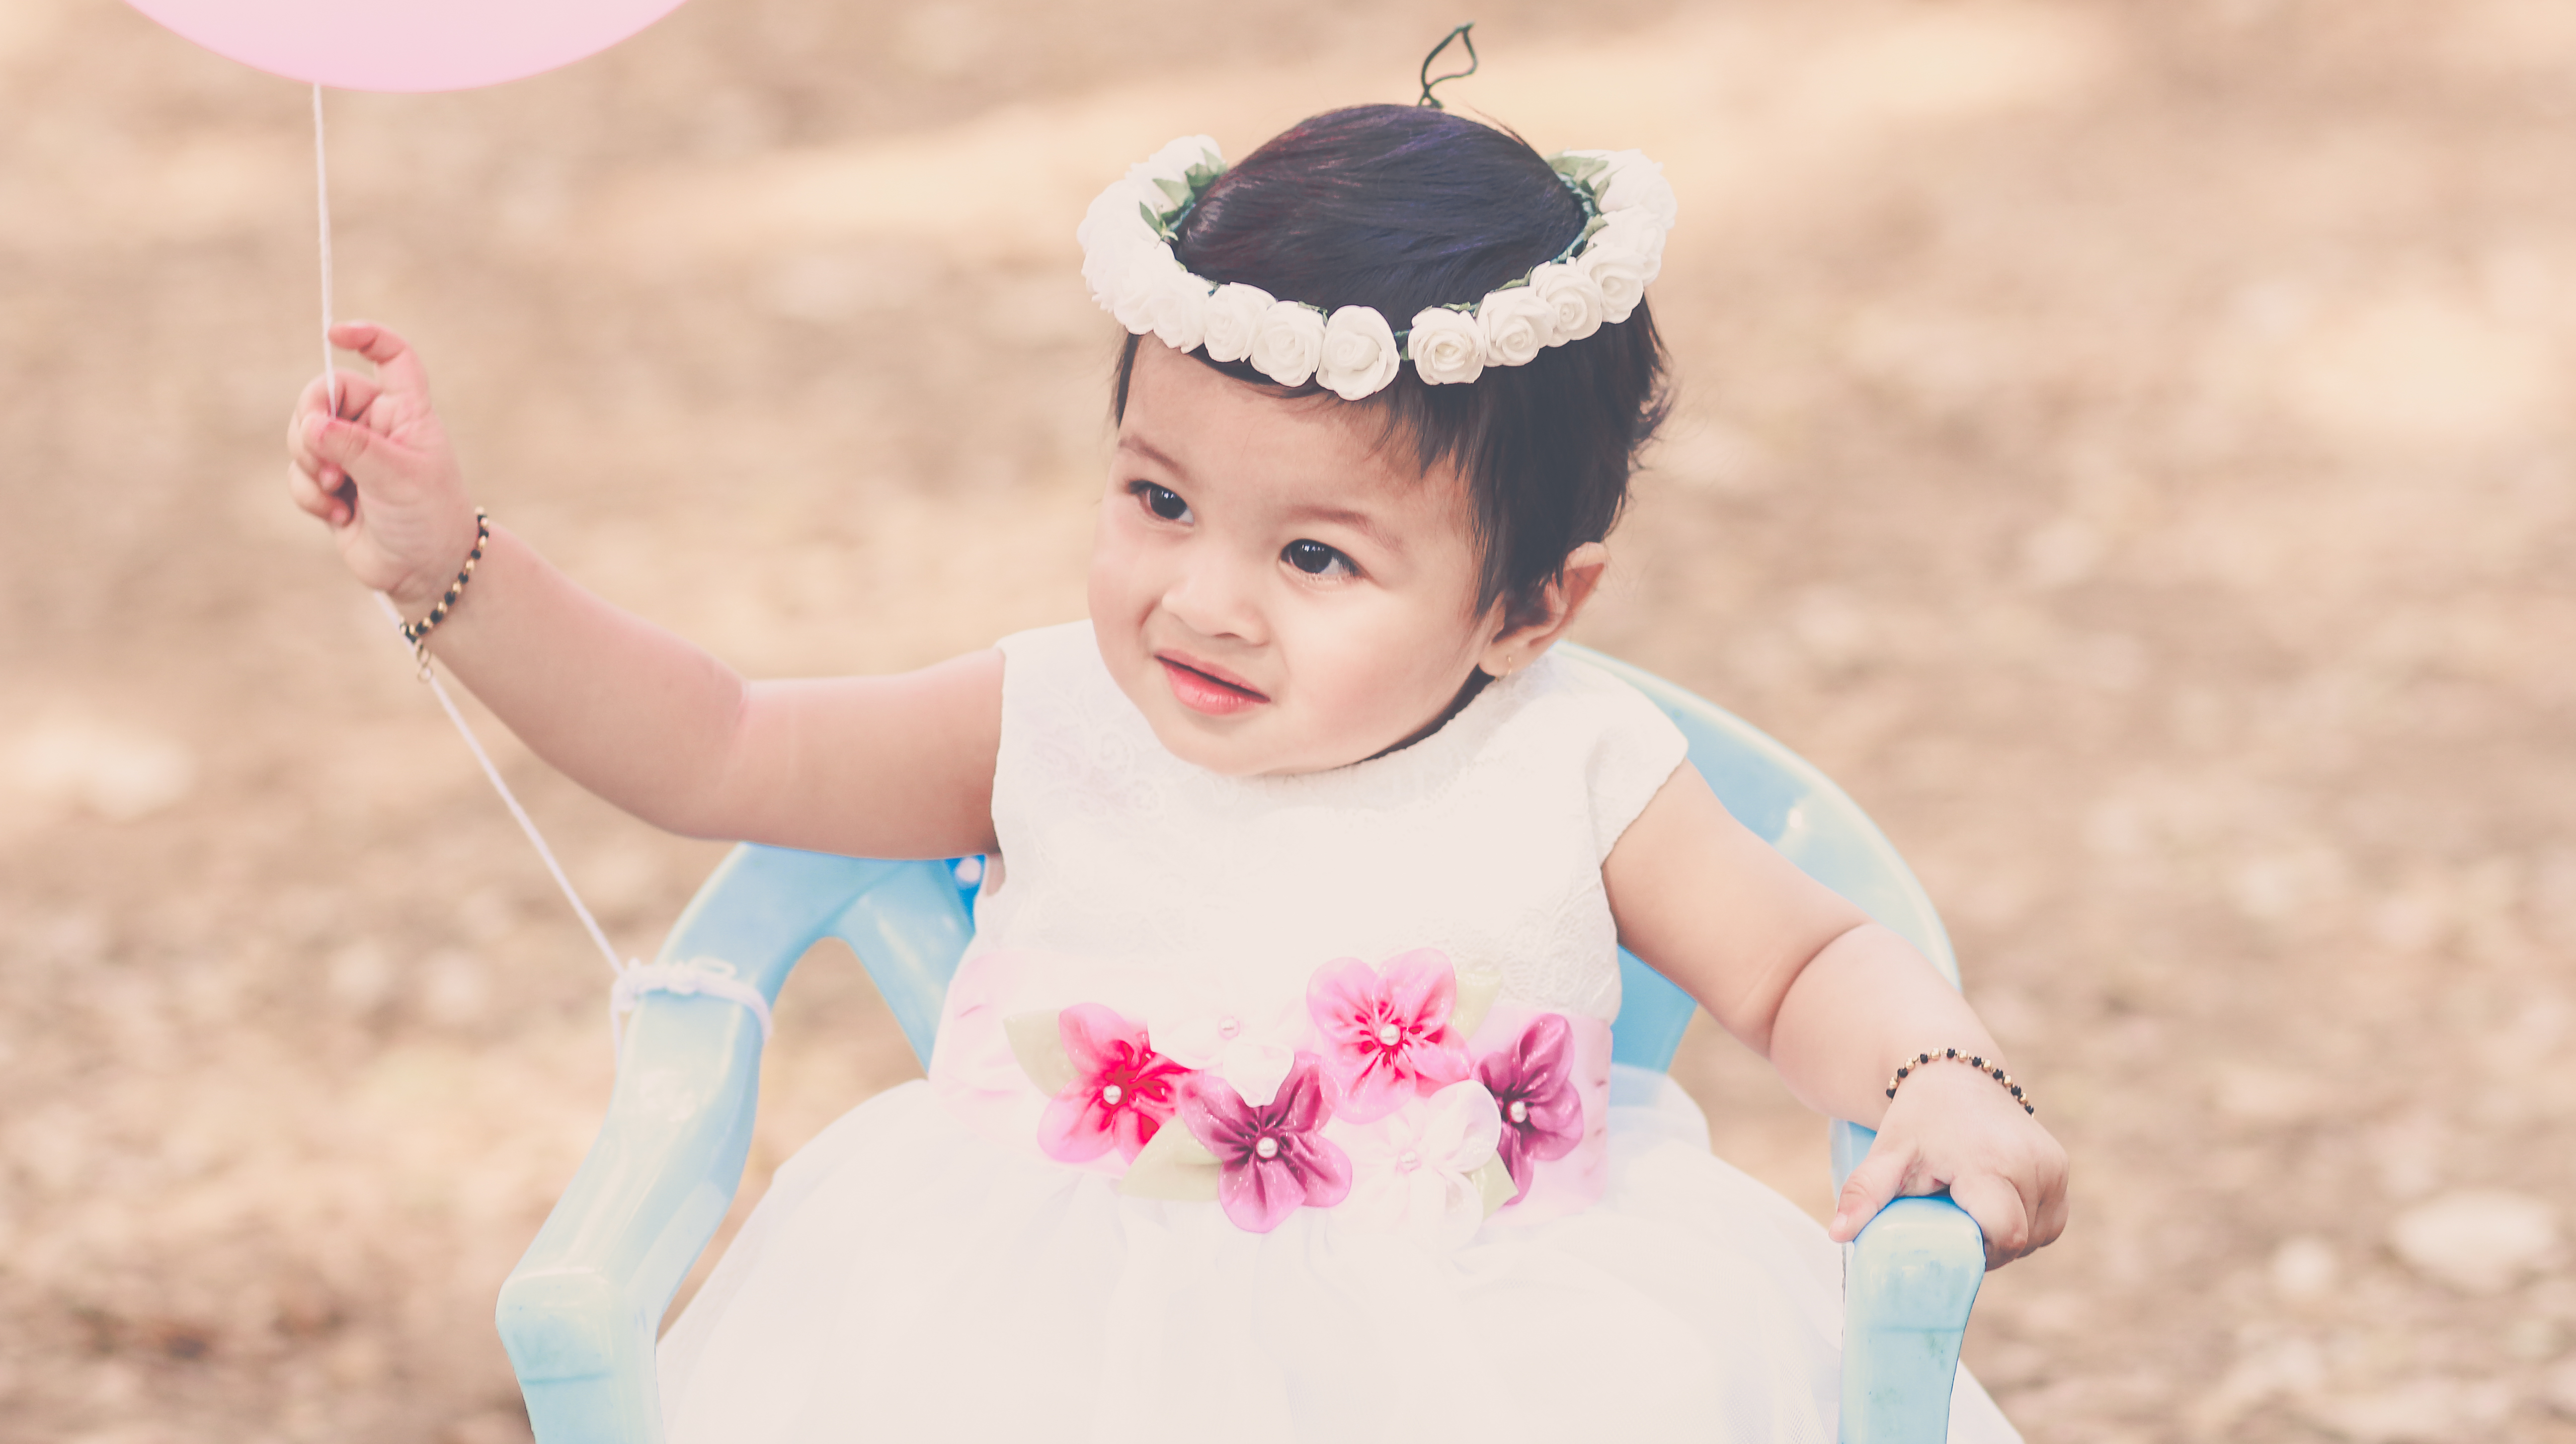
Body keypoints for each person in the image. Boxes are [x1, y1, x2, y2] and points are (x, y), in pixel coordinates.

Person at [286, 103, 2065, 1441]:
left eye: (1316, 555)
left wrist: (1943, 1076)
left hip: (1499, 1347)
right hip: (1021, 1344)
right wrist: (457, 572)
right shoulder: (1049, 717)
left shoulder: (1575, 762)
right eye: (1158, 499)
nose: (1203, 600)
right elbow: (721, 744)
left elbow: (1805, 961)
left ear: (1531, 604)